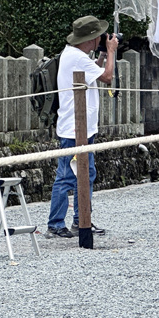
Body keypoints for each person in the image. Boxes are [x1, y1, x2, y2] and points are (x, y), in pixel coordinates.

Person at [47, 15, 118, 239]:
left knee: (86, 174)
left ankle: (81, 219)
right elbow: (107, 77)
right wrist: (112, 51)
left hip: (81, 127)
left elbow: (94, 72)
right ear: (91, 39)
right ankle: (56, 224)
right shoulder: (77, 58)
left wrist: (102, 56)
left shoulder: (74, 55)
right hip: (74, 129)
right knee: (68, 176)